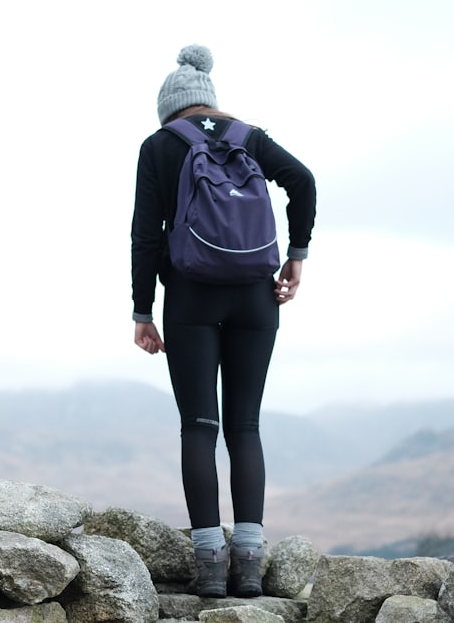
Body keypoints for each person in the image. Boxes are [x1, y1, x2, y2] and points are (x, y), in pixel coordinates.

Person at [130, 45, 317, 598]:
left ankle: (211, 564)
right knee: (246, 427)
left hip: (190, 298)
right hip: (258, 297)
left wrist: (143, 310)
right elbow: (302, 181)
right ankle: (252, 564)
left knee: (199, 428)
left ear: (169, 109)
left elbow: (144, 234)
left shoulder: (160, 145)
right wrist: (297, 254)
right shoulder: (250, 136)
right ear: (210, 102)